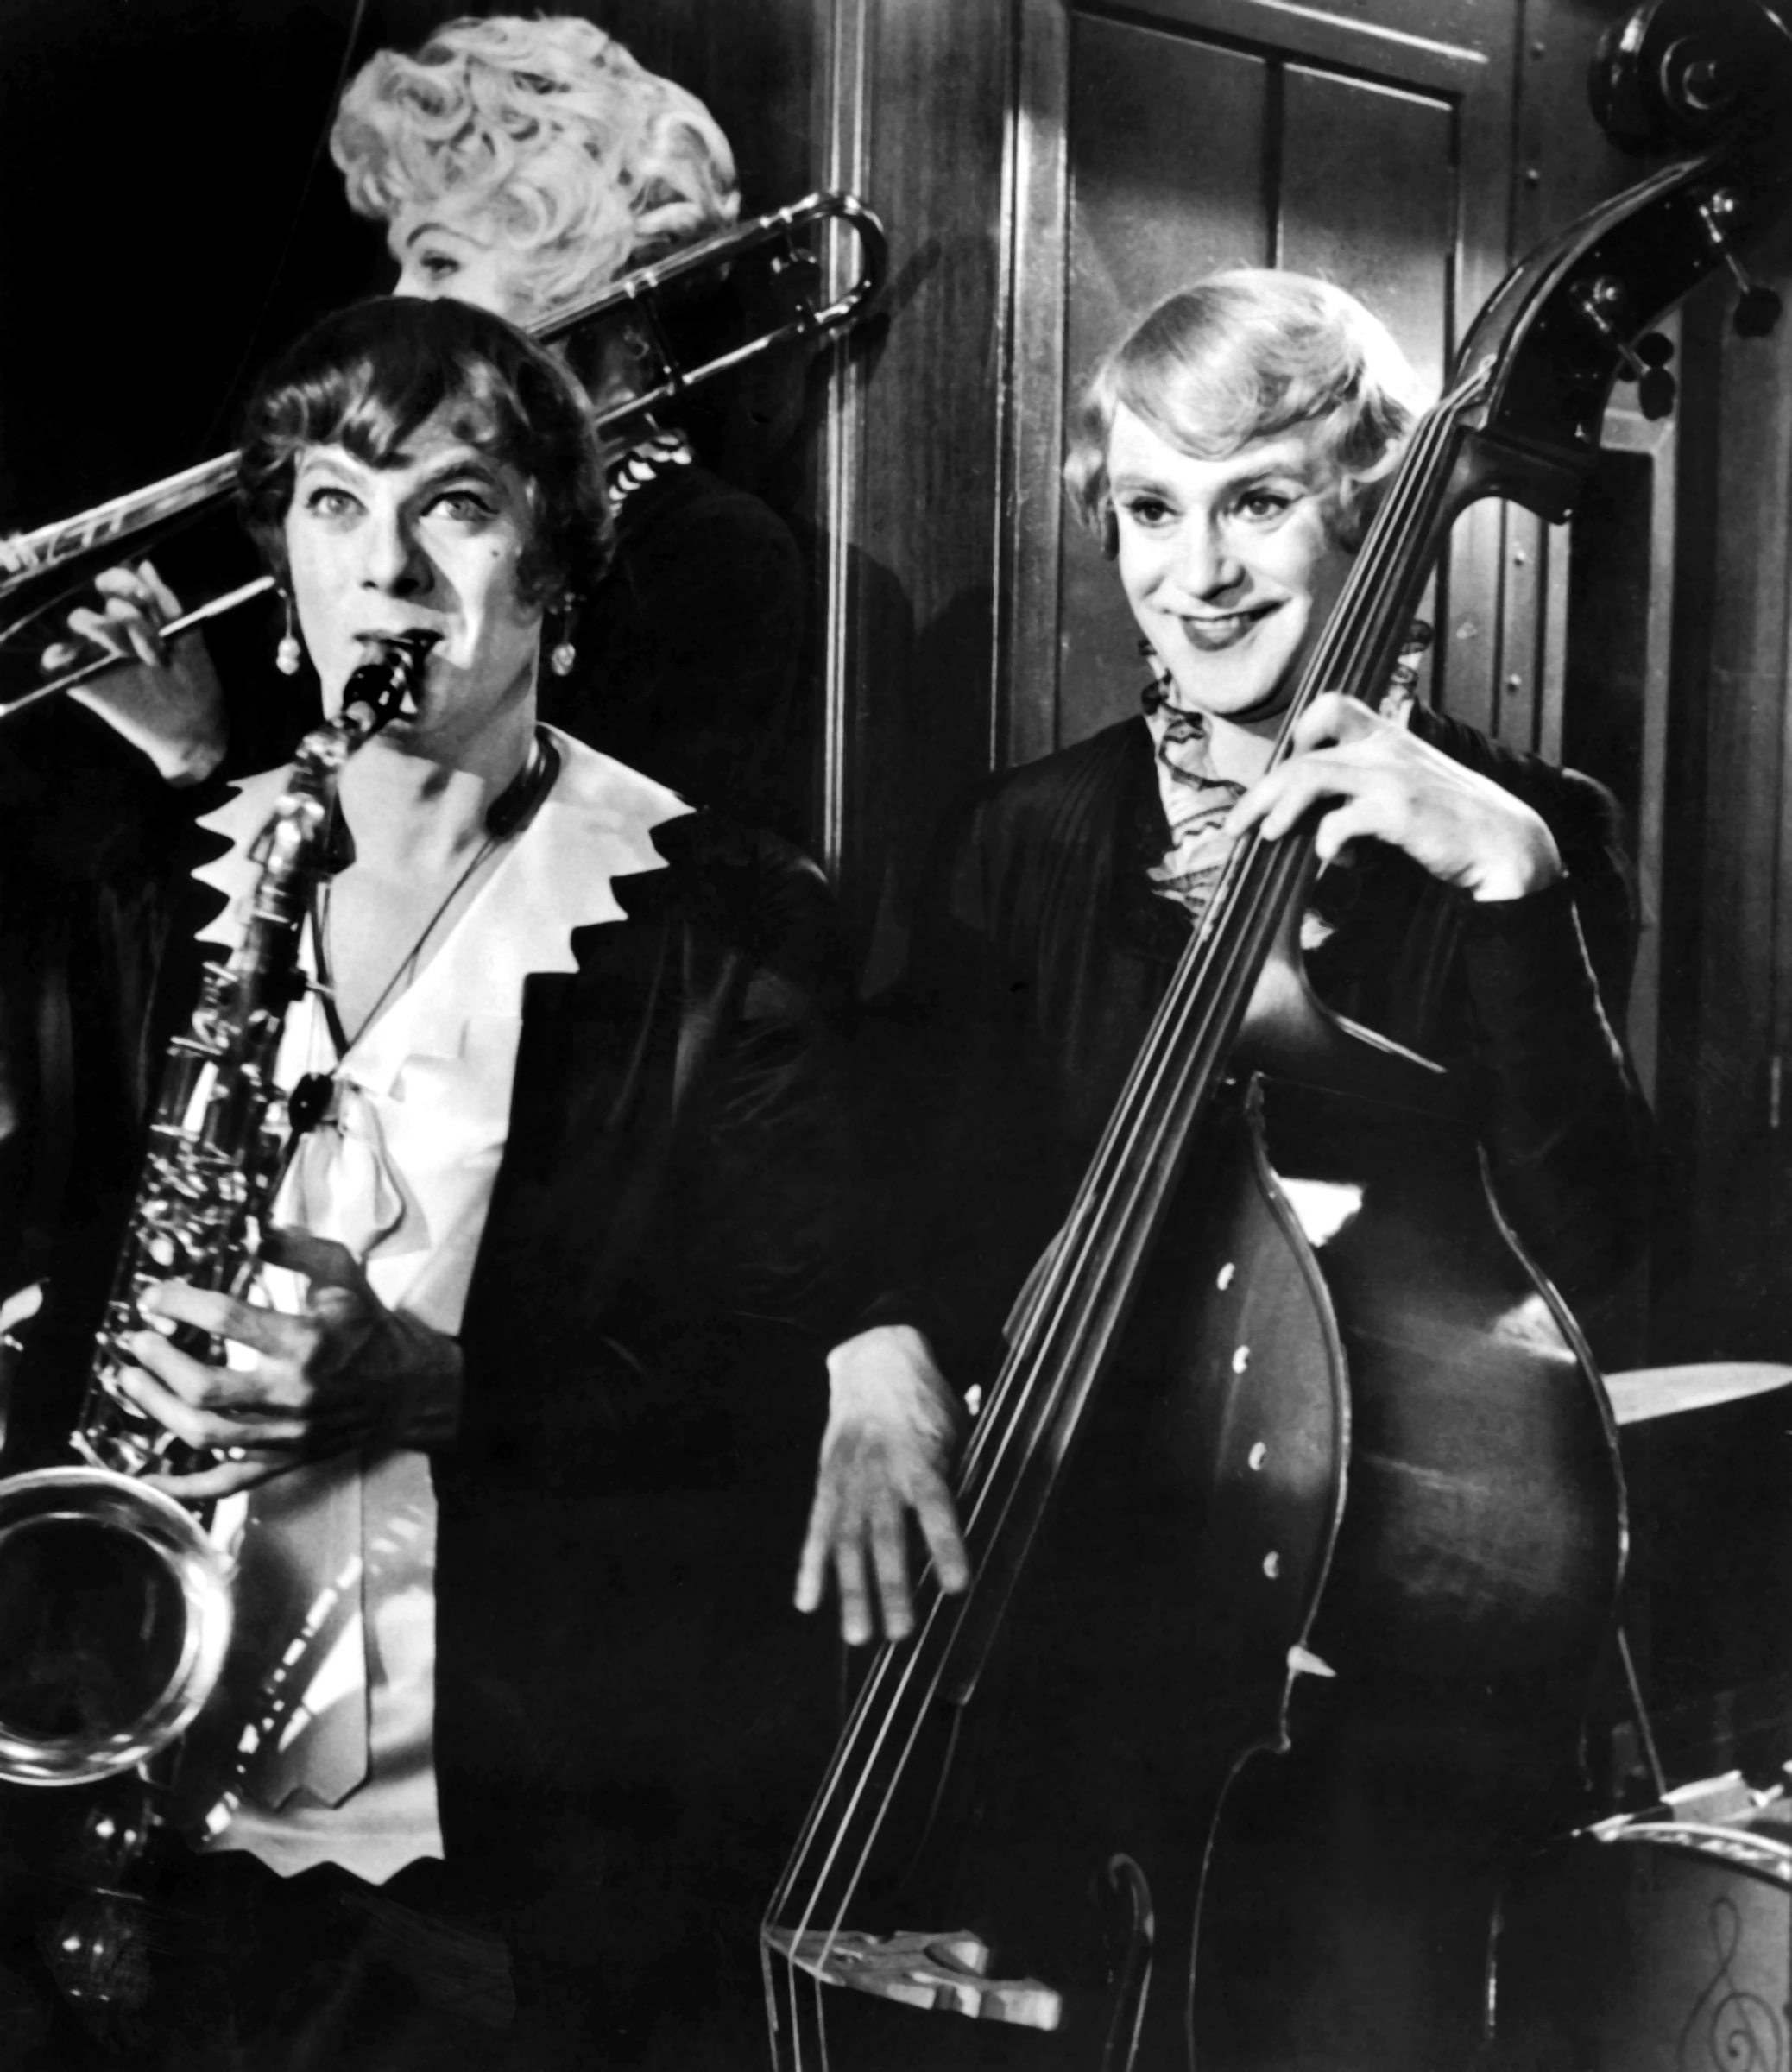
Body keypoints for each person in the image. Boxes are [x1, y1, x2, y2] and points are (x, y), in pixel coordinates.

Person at [794, 270, 1649, 2069]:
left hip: (1335, 1665)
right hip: (1041, 1610)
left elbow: (1598, 1261)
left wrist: (1514, 889)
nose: (1199, 574)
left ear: (1369, 515)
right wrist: (874, 1340)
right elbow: (904, 1186)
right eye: (1149, 511)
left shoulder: (1531, 833)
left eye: (1256, 500)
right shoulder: (1023, 836)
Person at [0, 294, 857, 2070]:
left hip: (519, 1849)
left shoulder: (730, 918)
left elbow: (763, 1389)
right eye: (334, 505)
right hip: (152, 1789)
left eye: (452, 504)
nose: (385, 569)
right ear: (286, 574)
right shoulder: (149, 890)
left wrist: (446, 1386)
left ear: (554, 566)